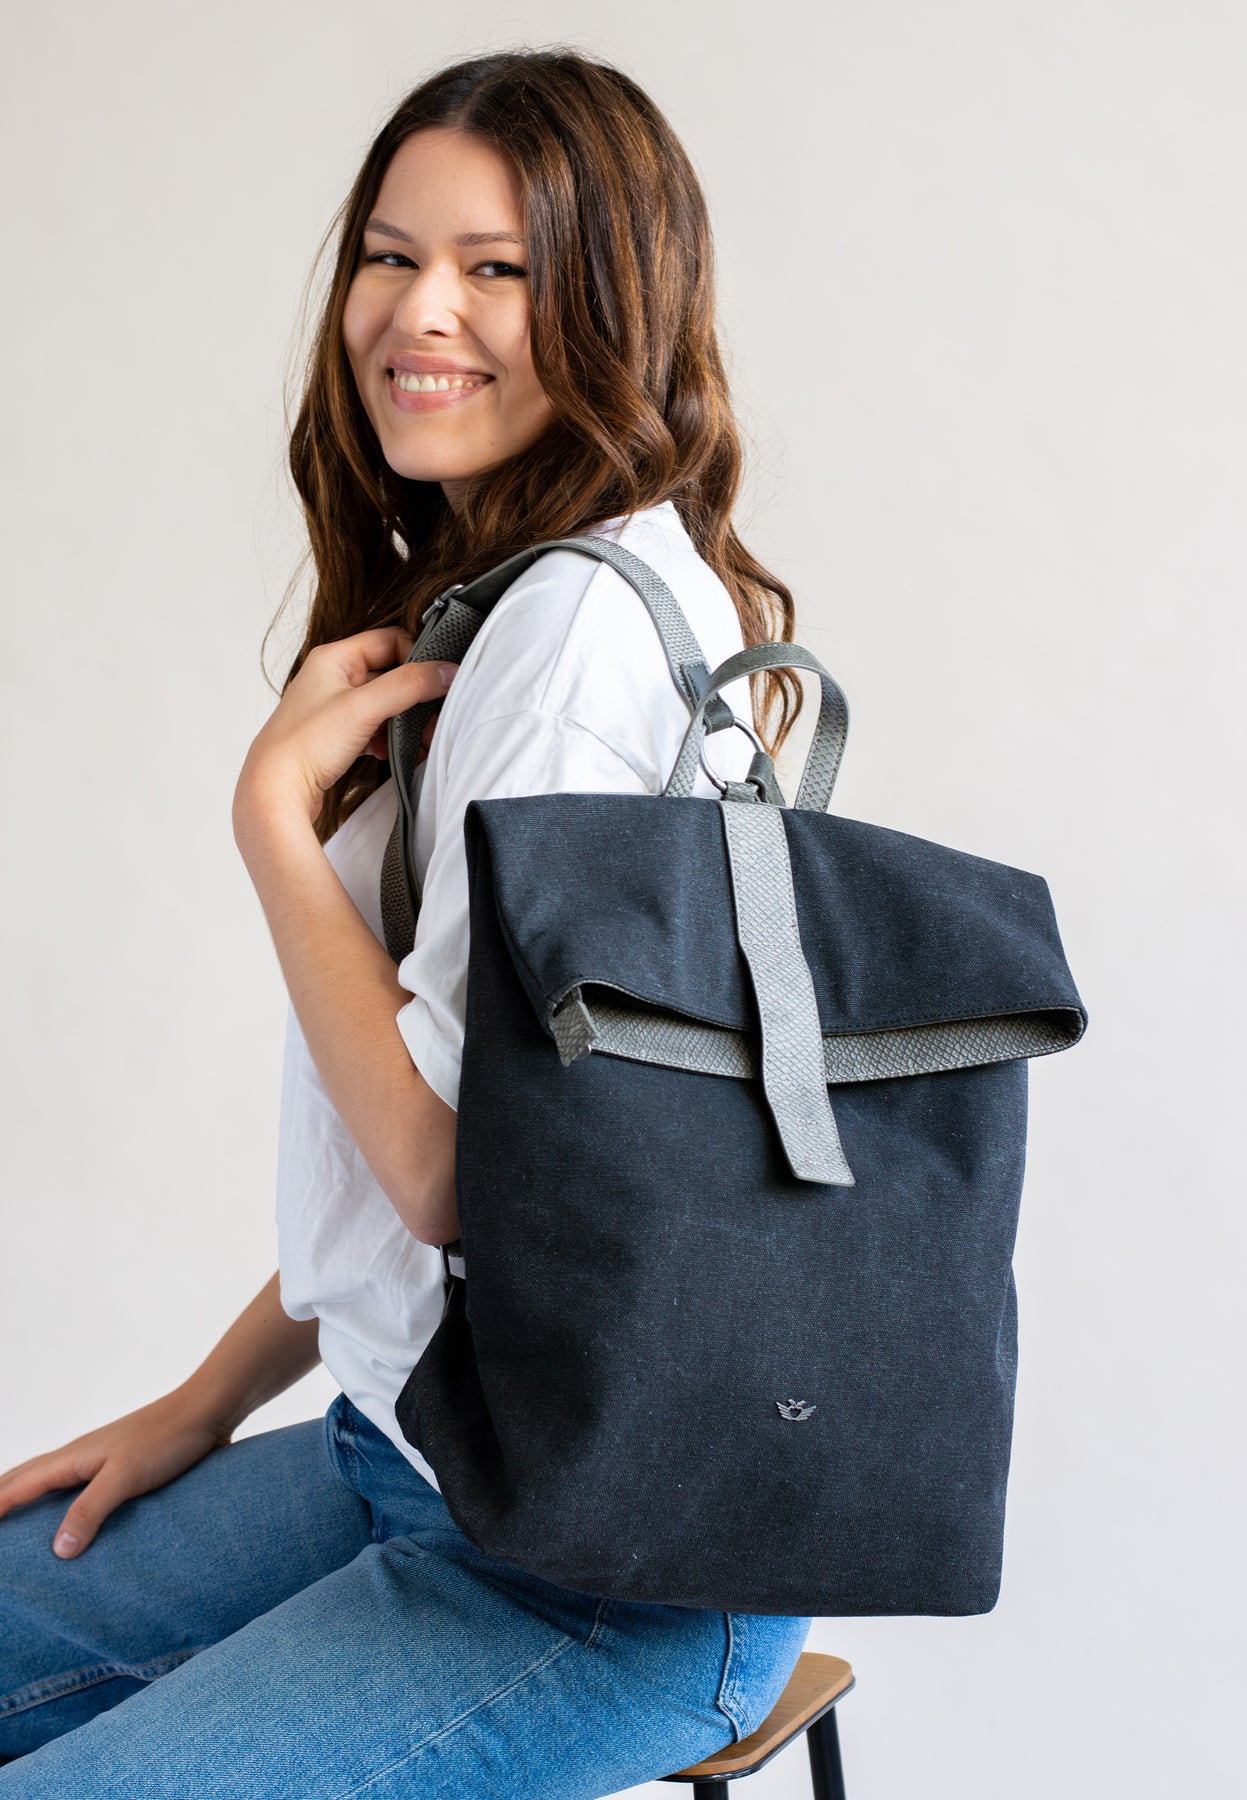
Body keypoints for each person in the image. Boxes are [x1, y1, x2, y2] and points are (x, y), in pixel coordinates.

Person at [0, 47, 813, 1797]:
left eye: (495, 268)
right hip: (407, 1453)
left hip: (586, 1573)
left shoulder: (574, 642)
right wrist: (203, 1403)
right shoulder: (513, 603)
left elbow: (450, 1169)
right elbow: (452, 1198)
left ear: (613, 304)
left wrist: (273, 832)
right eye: (389, 254)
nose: (417, 311)